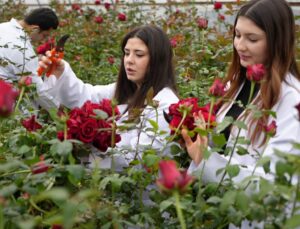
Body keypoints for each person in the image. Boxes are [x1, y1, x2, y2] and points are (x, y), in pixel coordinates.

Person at [183, 0, 300, 184]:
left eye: (252, 39)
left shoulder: (291, 99)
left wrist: (206, 161)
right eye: (237, 35)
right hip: (214, 201)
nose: (240, 45)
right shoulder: (236, 84)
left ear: (277, 41)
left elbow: (275, 182)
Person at [38, 25, 179, 170]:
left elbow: (138, 160)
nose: (129, 60)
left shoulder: (165, 105)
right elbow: (86, 96)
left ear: (157, 60)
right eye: (126, 53)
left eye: (139, 54)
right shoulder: (126, 91)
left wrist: (92, 144)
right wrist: (60, 71)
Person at [0, 7, 59, 109]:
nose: (43, 40)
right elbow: (37, 89)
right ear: (35, 28)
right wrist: (59, 110)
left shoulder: (3, 27)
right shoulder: (22, 48)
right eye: (44, 35)